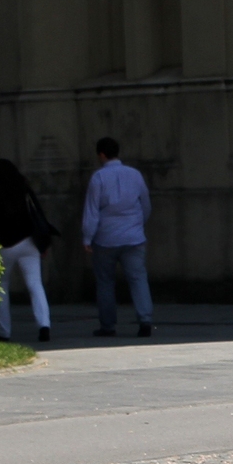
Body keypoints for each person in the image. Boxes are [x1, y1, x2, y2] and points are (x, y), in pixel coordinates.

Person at [82, 136, 154, 338]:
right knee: (138, 278)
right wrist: (138, 224)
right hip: (133, 237)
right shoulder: (135, 174)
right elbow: (145, 204)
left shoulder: (98, 178)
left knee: (105, 282)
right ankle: (145, 320)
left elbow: (92, 211)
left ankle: (108, 325)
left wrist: (87, 237)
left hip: (106, 238)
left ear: (102, 155)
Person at [0, 158, 53, 342]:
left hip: (5, 245)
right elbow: (39, 217)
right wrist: (43, 245)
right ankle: (44, 325)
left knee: (2, 286)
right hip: (29, 243)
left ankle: (4, 332)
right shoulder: (25, 191)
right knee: (35, 284)